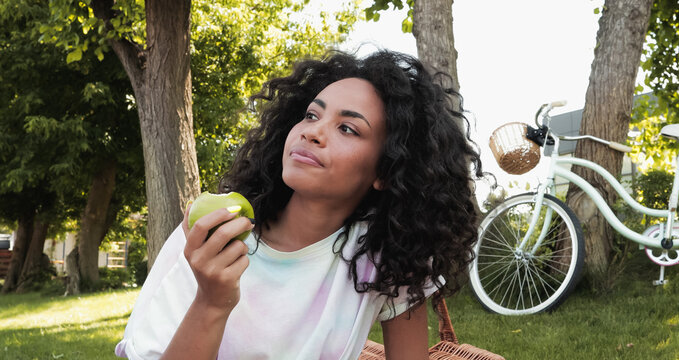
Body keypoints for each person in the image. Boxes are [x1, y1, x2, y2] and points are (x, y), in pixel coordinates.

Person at [115, 50, 483, 360]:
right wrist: (212, 302)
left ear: (387, 170)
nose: (312, 131)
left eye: (348, 128)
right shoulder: (212, 234)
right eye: (311, 115)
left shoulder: (386, 256)